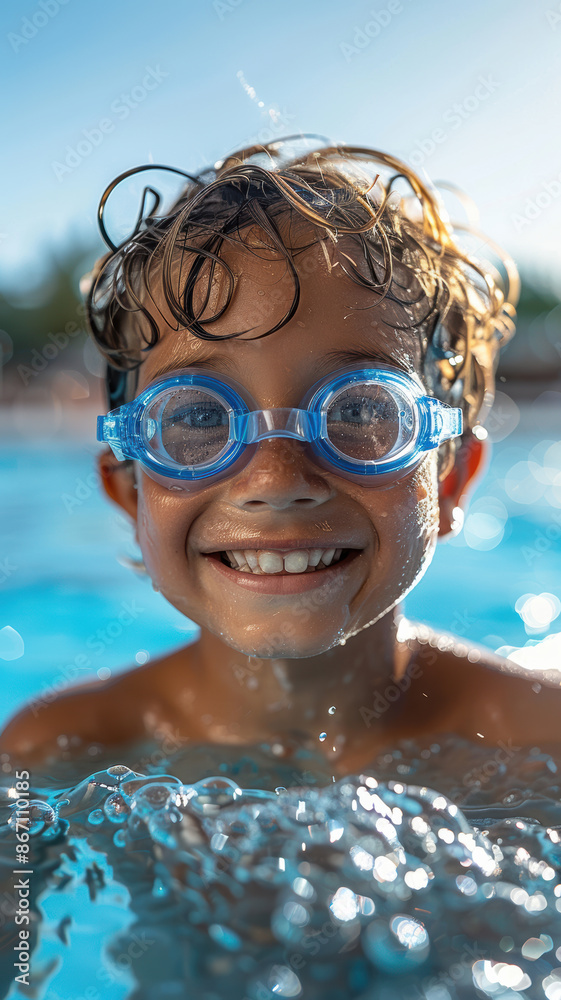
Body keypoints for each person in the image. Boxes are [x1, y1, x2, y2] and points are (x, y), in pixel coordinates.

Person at [3, 136, 560, 773]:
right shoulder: (53, 755)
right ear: (131, 493)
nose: (276, 479)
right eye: (200, 417)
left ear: (451, 477)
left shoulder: (544, 742)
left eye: (358, 412)